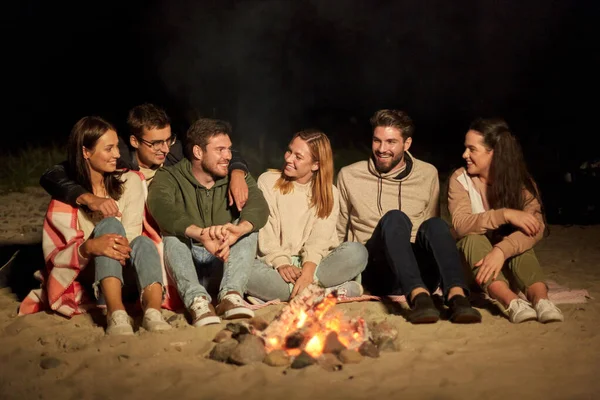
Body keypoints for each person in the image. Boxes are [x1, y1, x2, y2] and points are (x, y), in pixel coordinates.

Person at [19, 116, 171, 335]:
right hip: (87, 273)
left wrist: (110, 245)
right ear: (85, 152)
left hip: (126, 265)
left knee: (144, 243)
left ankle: (153, 312)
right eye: (109, 149)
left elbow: (131, 233)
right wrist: (90, 247)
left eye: (117, 147)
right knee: (109, 225)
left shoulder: (130, 181)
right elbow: (56, 256)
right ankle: (115, 313)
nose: (118, 155)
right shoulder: (68, 196)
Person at [336, 109, 481, 324]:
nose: (382, 149)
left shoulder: (427, 173)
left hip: (422, 269)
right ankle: (419, 299)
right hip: (378, 269)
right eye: (377, 141)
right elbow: (338, 229)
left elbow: (431, 232)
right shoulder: (349, 175)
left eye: (391, 142)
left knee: (436, 225)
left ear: (407, 143)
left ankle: (457, 296)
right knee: (394, 217)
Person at [147, 118, 269, 327]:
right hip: (186, 264)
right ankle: (197, 301)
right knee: (172, 233)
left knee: (248, 227)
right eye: (220, 150)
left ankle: (230, 296)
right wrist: (200, 233)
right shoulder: (169, 177)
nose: (228, 156)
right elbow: (160, 207)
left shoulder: (235, 175)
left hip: (222, 263)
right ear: (197, 152)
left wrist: (237, 231)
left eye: (229, 150)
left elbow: (259, 206)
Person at [39, 103, 251, 217]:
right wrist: (87, 198)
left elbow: (221, 151)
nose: (165, 149)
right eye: (155, 143)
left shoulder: (174, 151)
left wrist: (238, 173)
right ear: (134, 141)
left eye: (168, 140)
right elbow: (53, 175)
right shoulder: (118, 156)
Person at [448, 118, 563, 323]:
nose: (465, 155)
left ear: (494, 153)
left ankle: (541, 301)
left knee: (519, 240)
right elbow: (461, 224)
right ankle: (511, 302)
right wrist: (505, 214)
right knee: (472, 238)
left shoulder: (520, 183)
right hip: (472, 268)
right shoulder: (460, 180)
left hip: (506, 266)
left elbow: (537, 227)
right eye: (466, 148)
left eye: (472, 149)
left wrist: (501, 251)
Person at [245, 129, 368, 302]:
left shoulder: (330, 193)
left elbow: (320, 240)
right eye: (289, 151)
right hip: (276, 267)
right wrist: (281, 263)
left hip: (315, 266)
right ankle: (326, 293)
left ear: (316, 164)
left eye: (298, 156)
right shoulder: (268, 181)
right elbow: (266, 232)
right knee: (241, 268)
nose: (288, 159)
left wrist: (308, 273)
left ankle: (292, 293)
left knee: (357, 252)